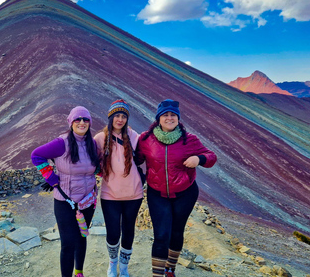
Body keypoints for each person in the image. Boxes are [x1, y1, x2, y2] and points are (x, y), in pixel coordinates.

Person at [135, 99, 217, 277]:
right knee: (161, 236)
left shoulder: (190, 140)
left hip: (185, 194)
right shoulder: (145, 139)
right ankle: (158, 274)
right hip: (157, 194)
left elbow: (211, 156)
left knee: (176, 232)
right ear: (158, 118)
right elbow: (137, 160)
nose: (170, 118)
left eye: (173, 115)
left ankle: (170, 270)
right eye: (165, 115)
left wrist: (199, 159)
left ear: (178, 118)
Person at [31, 106, 100, 277]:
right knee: (68, 244)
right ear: (70, 122)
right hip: (65, 202)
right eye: (78, 119)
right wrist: (52, 178)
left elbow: (97, 169)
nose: (82, 122)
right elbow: (36, 155)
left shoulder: (92, 144)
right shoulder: (62, 143)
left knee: (81, 238)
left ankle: (79, 272)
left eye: (85, 119)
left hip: (87, 201)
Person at [94, 99, 144, 277]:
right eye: (117, 115)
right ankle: (112, 263)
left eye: (123, 116)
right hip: (110, 195)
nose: (120, 119)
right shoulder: (100, 139)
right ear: (111, 117)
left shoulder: (133, 136)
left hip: (134, 193)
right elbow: (91, 159)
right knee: (113, 232)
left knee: (129, 231)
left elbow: (148, 150)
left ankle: (123, 267)